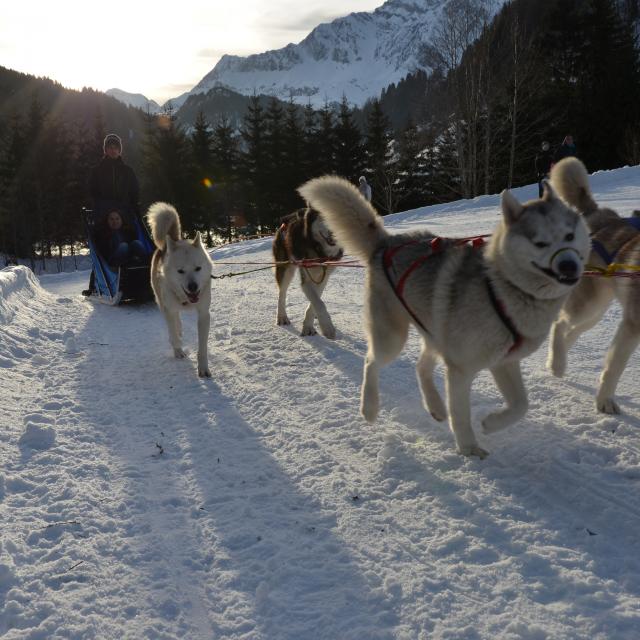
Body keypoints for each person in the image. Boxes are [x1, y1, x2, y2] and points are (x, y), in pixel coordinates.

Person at [83, 133, 141, 295]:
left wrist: (133, 208)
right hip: (104, 215)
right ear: (105, 150)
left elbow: (134, 192)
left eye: (116, 147)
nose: (113, 150)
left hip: (125, 214)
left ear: (120, 150)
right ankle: (96, 284)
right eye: (110, 147)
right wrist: (106, 208)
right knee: (106, 245)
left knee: (133, 241)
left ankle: (138, 269)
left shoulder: (127, 171)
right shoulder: (97, 171)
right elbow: (93, 192)